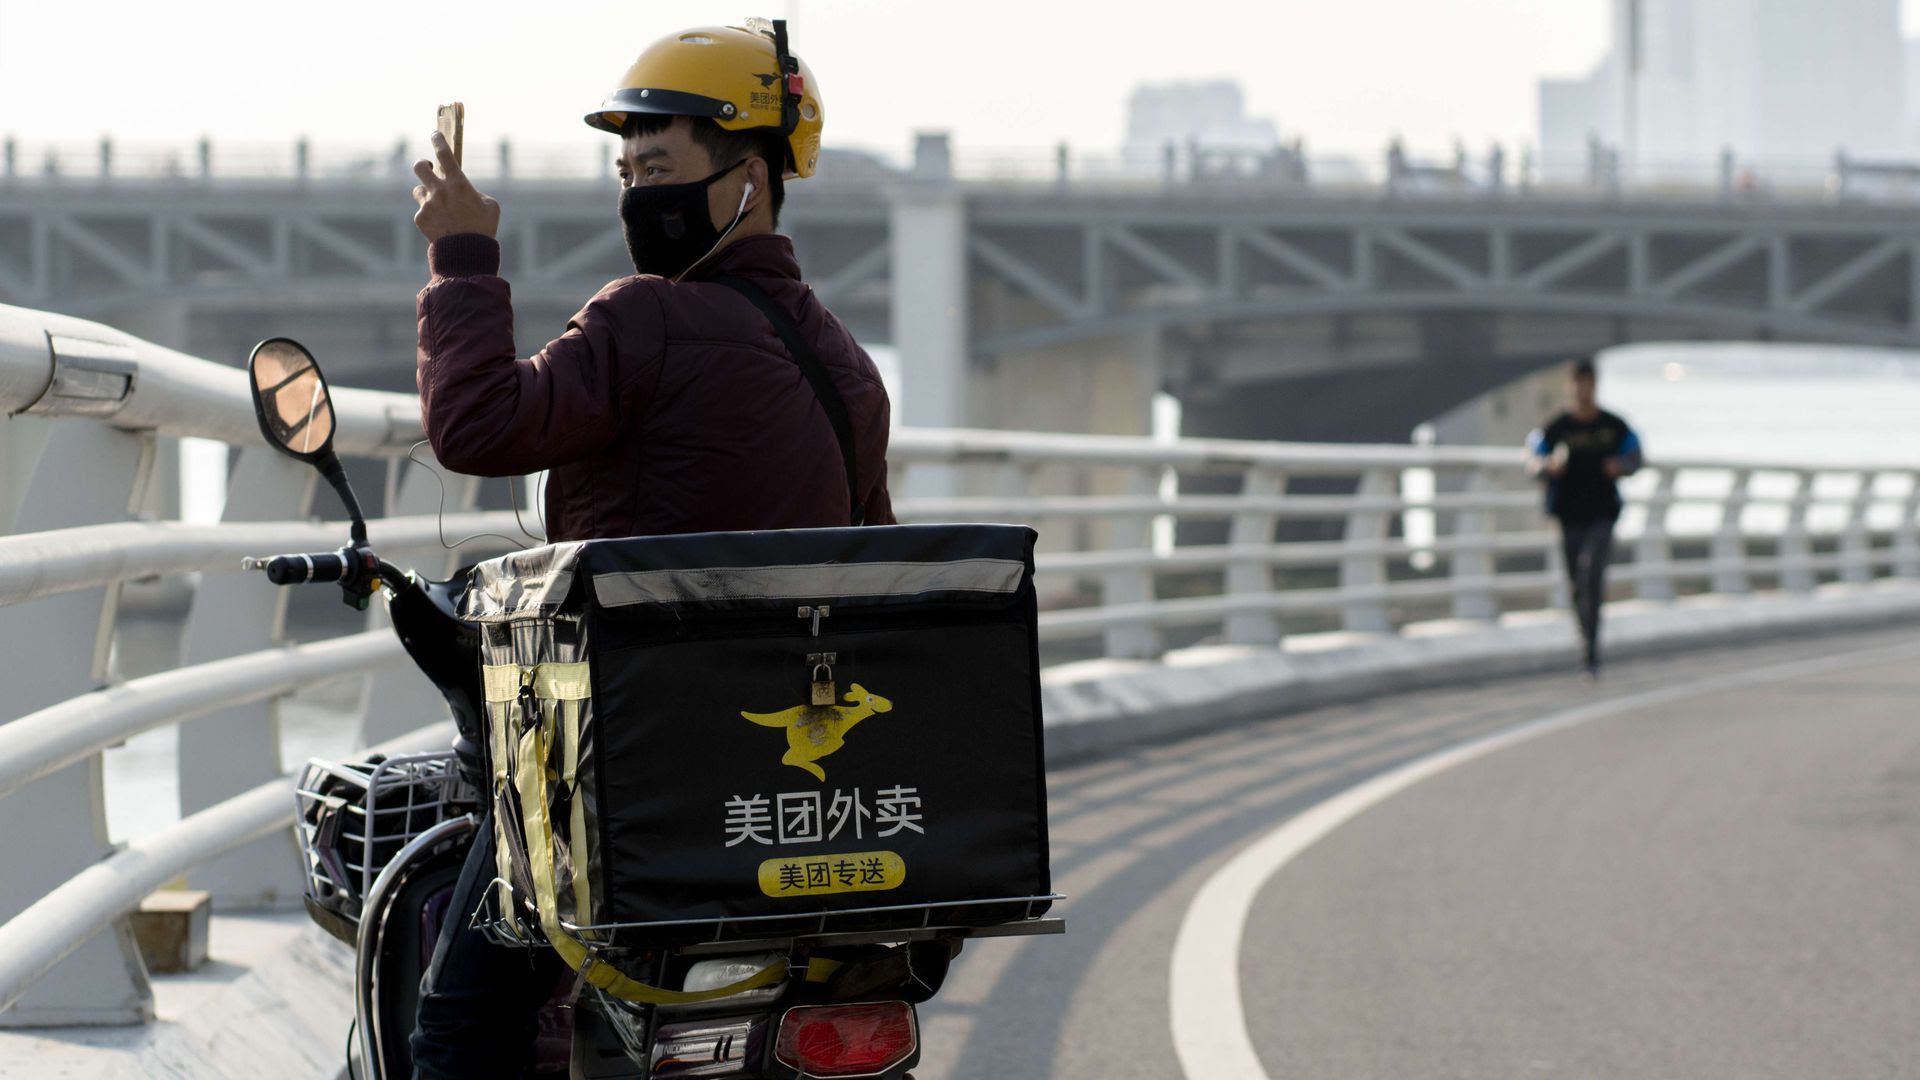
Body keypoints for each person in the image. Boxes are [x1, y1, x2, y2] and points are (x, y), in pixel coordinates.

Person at [405, 20, 895, 1077]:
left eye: (661, 166)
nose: (637, 193)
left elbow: (479, 428)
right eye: (627, 169)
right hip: (784, 777)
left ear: (749, 179)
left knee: (464, 1025)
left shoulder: (644, 322)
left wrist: (461, 255)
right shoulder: (849, 371)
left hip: (616, 766)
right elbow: (873, 567)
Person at [1526, 359, 1642, 676]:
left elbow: (1636, 454)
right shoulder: (1558, 427)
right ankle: (1586, 640)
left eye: (1587, 383)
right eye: (1577, 383)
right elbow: (1533, 456)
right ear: (1570, 387)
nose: (1582, 390)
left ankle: (1592, 649)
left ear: (1594, 385)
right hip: (1568, 512)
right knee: (1577, 581)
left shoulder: (1612, 425)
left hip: (1602, 512)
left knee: (1592, 572)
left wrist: (1621, 466)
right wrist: (1548, 465)